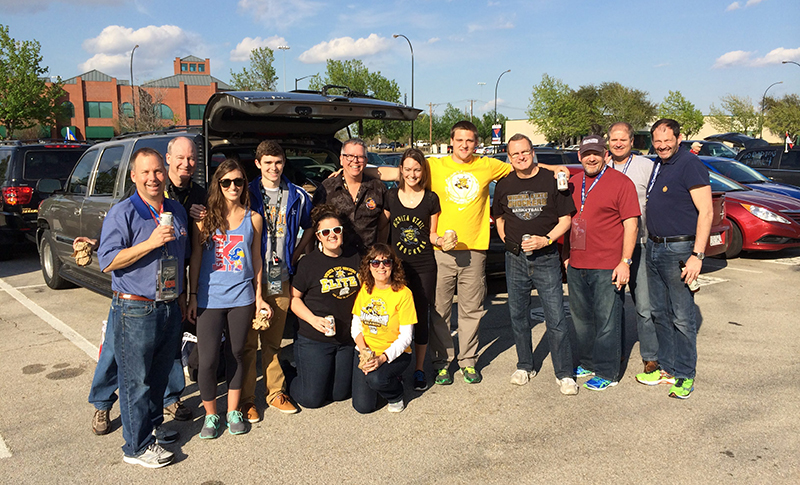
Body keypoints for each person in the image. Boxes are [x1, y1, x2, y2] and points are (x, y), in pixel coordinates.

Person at [88, 136, 205, 435]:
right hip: (134, 301)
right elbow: (111, 255)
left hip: (169, 298)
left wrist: (183, 293)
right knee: (126, 364)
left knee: (164, 362)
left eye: (157, 172)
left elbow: (183, 256)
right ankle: (108, 408)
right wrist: (147, 243)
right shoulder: (129, 204)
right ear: (135, 176)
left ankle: (162, 411)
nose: (153, 177)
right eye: (146, 172)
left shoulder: (185, 204)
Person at [188, 159, 270, 438]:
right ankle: (211, 415)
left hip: (242, 297)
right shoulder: (204, 218)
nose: (233, 187)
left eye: (238, 181)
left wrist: (259, 297)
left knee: (236, 354)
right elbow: (196, 259)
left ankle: (233, 411)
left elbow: (257, 259)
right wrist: (192, 296)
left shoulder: (254, 219)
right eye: (226, 182)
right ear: (218, 185)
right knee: (208, 360)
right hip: (209, 298)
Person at [492, 134, 577, 395]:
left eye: (525, 152)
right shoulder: (505, 184)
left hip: (546, 257)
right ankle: (525, 364)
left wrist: (546, 240)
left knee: (556, 317)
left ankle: (564, 373)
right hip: (515, 259)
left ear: (533, 152)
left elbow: (566, 220)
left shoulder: (552, 181)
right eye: (515, 154)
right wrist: (508, 241)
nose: (521, 157)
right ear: (509, 157)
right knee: (518, 315)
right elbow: (499, 217)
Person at [636, 119, 712, 400]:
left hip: (680, 251)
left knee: (682, 317)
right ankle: (666, 367)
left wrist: (697, 255)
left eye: (667, 140)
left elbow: (705, 212)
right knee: (660, 313)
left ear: (679, 138)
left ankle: (685, 374)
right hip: (655, 248)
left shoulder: (689, 165)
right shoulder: (659, 164)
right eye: (657, 141)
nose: (662, 145)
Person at [240, 140, 313, 420]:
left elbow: (309, 226)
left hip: (281, 277)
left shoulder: (297, 195)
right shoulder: (245, 194)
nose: (274, 167)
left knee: (272, 341)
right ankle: (247, 399)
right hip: (249, 279)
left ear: (284, 163)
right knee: (248, 342)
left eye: (278, 162)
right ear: (258, 164)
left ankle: (275, 392)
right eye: (268, 162)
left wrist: (295, 254)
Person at [563, 135, 639, 391]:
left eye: (596, 153)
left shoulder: (621, 183)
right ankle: (587, 361)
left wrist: (625, 262)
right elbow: (565, 222)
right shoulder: (572, 184)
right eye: (586, 154)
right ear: (579, 156)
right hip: (577, 264)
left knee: (607, 320)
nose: (591, 158)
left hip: (608, 264)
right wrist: (565, 256)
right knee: (582, 318)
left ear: (605, 154)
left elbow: (631, 225)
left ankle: (608, 371)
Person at [289, 205, 361, 408]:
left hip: (346, 339)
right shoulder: (308, 263)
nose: (332, 235)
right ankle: (289, 375)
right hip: (315, 339)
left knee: (340, 394)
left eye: (336, 230)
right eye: (326, 232)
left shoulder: (354, 257)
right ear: (318, 236)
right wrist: (313, 320)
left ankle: (316, 376)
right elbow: (294, 299)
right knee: (311, 399)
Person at [383, 148, 441, 391]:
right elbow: (383, 229)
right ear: (401, 170)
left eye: (417, 169)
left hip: (424, 265)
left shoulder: (431, 198)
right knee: (395, 317)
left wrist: (442, 239)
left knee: (420, 318)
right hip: (397, 267)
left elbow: (432, 234)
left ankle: (418, 369)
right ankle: (395, 367)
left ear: (423, 171)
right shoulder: (391, 196)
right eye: (407, 169)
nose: (412, 174)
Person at [606, 123, 658, 375]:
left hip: (640, 243)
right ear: (608, 142)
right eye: (614, 139)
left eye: (623, 139)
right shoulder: (601, 167)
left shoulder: (646, 167)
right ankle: (615, 351)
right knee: (612, 306)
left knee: (644, 304)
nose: (618, 143)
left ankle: (650, 355)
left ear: (631, 141)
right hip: (609, 247)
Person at [351, 244, 415, 413]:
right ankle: (383, 381)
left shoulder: (403, 293)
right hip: (367, 350)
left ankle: (396, 394)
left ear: (393, 265)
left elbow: (406, 337)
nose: (381, 267)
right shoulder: (365, 289)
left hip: (394, 353)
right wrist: (365, 352)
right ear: (369, 266)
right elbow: (355, 325)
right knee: (363, 407)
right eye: (375, 263)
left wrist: (381, 359)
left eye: (386, 262)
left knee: (377, 379)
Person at [310, 138, 388, 253]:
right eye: (350, 156)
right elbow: (313, 226)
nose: (355, 161)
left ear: (366, 161)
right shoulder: (326, 189)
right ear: (341, 159)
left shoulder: (378, 188)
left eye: (360, 157)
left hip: (368, 261)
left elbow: (383, 226)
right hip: (336, 261)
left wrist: (380, 252)